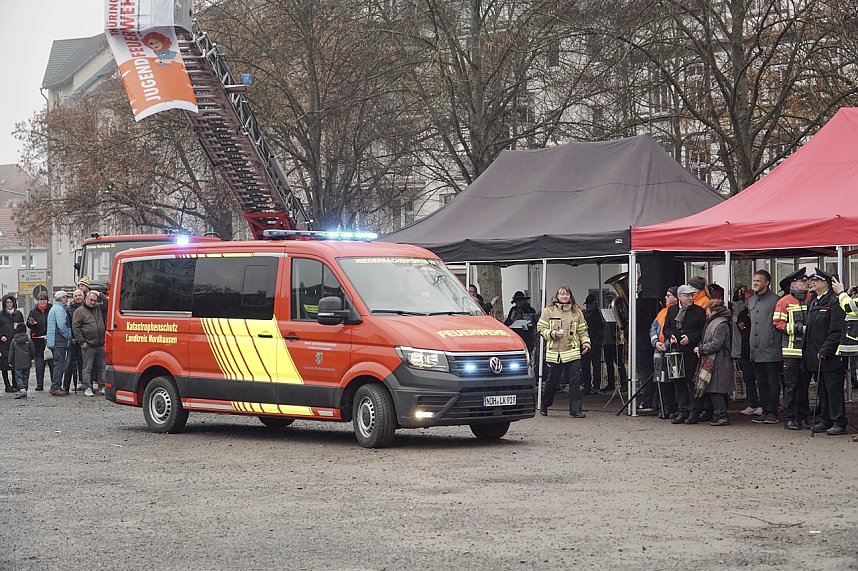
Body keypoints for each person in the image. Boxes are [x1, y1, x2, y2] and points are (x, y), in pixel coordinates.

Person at [804, 268, 847, 435]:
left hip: (830, 355)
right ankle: (826, 418)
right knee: (821, 389)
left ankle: (838, 421)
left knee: (833, 390)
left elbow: (836, 330)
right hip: (815, 355)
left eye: (816, 280)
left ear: (825, 283)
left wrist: (826, 349)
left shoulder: (834, 302)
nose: (811, 282)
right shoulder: (813, 301)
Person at [536, 286, 591, 417]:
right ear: (557, 296)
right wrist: (552, 333)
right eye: (562, 294)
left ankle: (575, 410)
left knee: (575, 381)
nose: (564, 296)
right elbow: (540, 327)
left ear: (570, 296)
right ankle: (545, 404)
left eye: (567, 294)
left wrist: (586, 343)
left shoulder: (577, 311)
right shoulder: (549, 310)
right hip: (555, 353)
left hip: (572, 352)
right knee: (552, 381)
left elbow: (582, 330)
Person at [772, 268, 811, 430]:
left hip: (807, 351)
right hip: (791, 351)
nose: (807, 284)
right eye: (803, 281)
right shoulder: (784, 301)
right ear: (794, 283)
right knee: (791, 386)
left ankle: (803, 417)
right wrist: (797, 328)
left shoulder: (811, 299)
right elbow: (777, 325)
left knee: (804, 387)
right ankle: (789, 418)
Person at [663, 284, 706, 424]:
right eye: (687, 295)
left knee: (692, 382)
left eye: (692, 295)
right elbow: (666, 329)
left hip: (691, 351)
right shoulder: (672, 311)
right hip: (676, 351)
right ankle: (682, 411)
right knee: (678, 382)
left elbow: (702, 331)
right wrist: (671, 336)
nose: (690, 298)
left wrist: (690, 338)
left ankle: (694, 412)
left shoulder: (699, 311)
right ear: (680, 296)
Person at [748, 270, 783, 425]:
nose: (755, 283)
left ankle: (772, 411)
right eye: (754, 280)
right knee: (761, 381)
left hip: (771, 347)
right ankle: (764, 409)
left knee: (772, 381)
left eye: (758, 281)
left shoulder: (776, 300)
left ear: (767, 283)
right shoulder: (751, 300)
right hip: (755, 348)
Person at [693, 299, 735, 426]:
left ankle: (722, 415)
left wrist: (701, 348)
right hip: (716, 361)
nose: (706, 312)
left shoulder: (720, 324)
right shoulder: (718, 322)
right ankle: (719, 415)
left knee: (716, 390)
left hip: (719, 361)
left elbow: (716, 344)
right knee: (715, 390)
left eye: (708, 309)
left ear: (714, 310)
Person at [73, 291, 107, 397]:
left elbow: (107, 303)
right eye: (91, 300)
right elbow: (75, 327)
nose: (93, 302)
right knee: (87, 368)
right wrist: (81, 341)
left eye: (95, 300)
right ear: (86, 299)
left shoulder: (98, 308)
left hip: (100, 344)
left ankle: (102, 386)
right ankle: (87, 387)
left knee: (102, 367)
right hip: (88, 345)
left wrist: (99, 294)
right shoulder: (79, 311)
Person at [733, 286, 761, 417]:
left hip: (760, 350)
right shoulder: (742, 314)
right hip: (745, 350)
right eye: (745, 299)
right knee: (748, 378)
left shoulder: (759, 311)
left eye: (749, 298)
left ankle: (762, 404)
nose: (746, 301)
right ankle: (752, 403)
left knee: (761, 379)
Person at [651, 286, 678, 418]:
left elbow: (674, 332)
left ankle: (672, 408)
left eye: (669, 295)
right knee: (661, 381)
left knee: (672, 382)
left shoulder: (676, 312)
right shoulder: (662, 312)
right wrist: (656, 342)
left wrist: (666, 345)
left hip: (670, 350)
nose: (666, 297)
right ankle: (663, 407)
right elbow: (653, 328)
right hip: (659, 351)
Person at [47, 291, 73, 396]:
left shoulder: (54, 308)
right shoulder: (59, 310)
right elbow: (62, 326)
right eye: (66, 297)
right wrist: (69, 336)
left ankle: (56, 386)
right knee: (60, 365)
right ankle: (55, 387)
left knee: (58, 364)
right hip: (59, 342)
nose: (67, 299)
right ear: (61, 298)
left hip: (55, 341)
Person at [27, 291, 54, 392]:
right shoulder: (33, 311)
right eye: (40, 300)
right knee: (39, 363)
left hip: (50, 340)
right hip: (37, 341)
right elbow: (28, 325)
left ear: (47, 300)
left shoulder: (51, 309)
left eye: (44, 299)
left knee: (52, 363)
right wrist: (32, 324)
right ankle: (39, 384)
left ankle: (54, 383)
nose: (42, 301)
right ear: (37, 301)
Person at [580, 293, 604, 394]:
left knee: (596, 365)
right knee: (585, 366)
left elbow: (601, 328)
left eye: (590, 305)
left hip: (595, 342)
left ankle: (596, 386)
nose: (588, 307)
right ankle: (587, 385)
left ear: (594, 304)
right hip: (586, 343)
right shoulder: (584, 314)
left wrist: (597, 340)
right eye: (587, 305)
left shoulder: (599, 314)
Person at [0, 294, 24, 392]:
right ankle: (7, 385)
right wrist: (1, 336)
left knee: (15, 364)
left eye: (10, 302)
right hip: (4, 344)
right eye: (7, 302)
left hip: (16, 342)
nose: (9, 304)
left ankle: (15, 384)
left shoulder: (18, 314)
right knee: (4, 365)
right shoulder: (1, 315)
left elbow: (22, 327)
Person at [63, 289, 85, 392]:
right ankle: (66, 385)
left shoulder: (87, 307)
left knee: (83, 362)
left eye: (80, 295)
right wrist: (71, 337)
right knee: (69, 362)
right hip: (73, 340)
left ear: (83, 296)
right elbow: (68, 325)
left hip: (85, 339)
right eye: (76, 296)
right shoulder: (69, 309)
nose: (78, 297)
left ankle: (82, 382)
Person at [9, 322, 35, 399]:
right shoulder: (28, 340)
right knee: (26, 376)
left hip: (18, 362)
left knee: (19, 376)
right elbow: (32, 350)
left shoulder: (14, 341)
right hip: (27, 361)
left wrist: (10, 361)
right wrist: (32, 357)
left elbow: (11, 352)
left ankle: (22, 389)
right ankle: (25, 389)